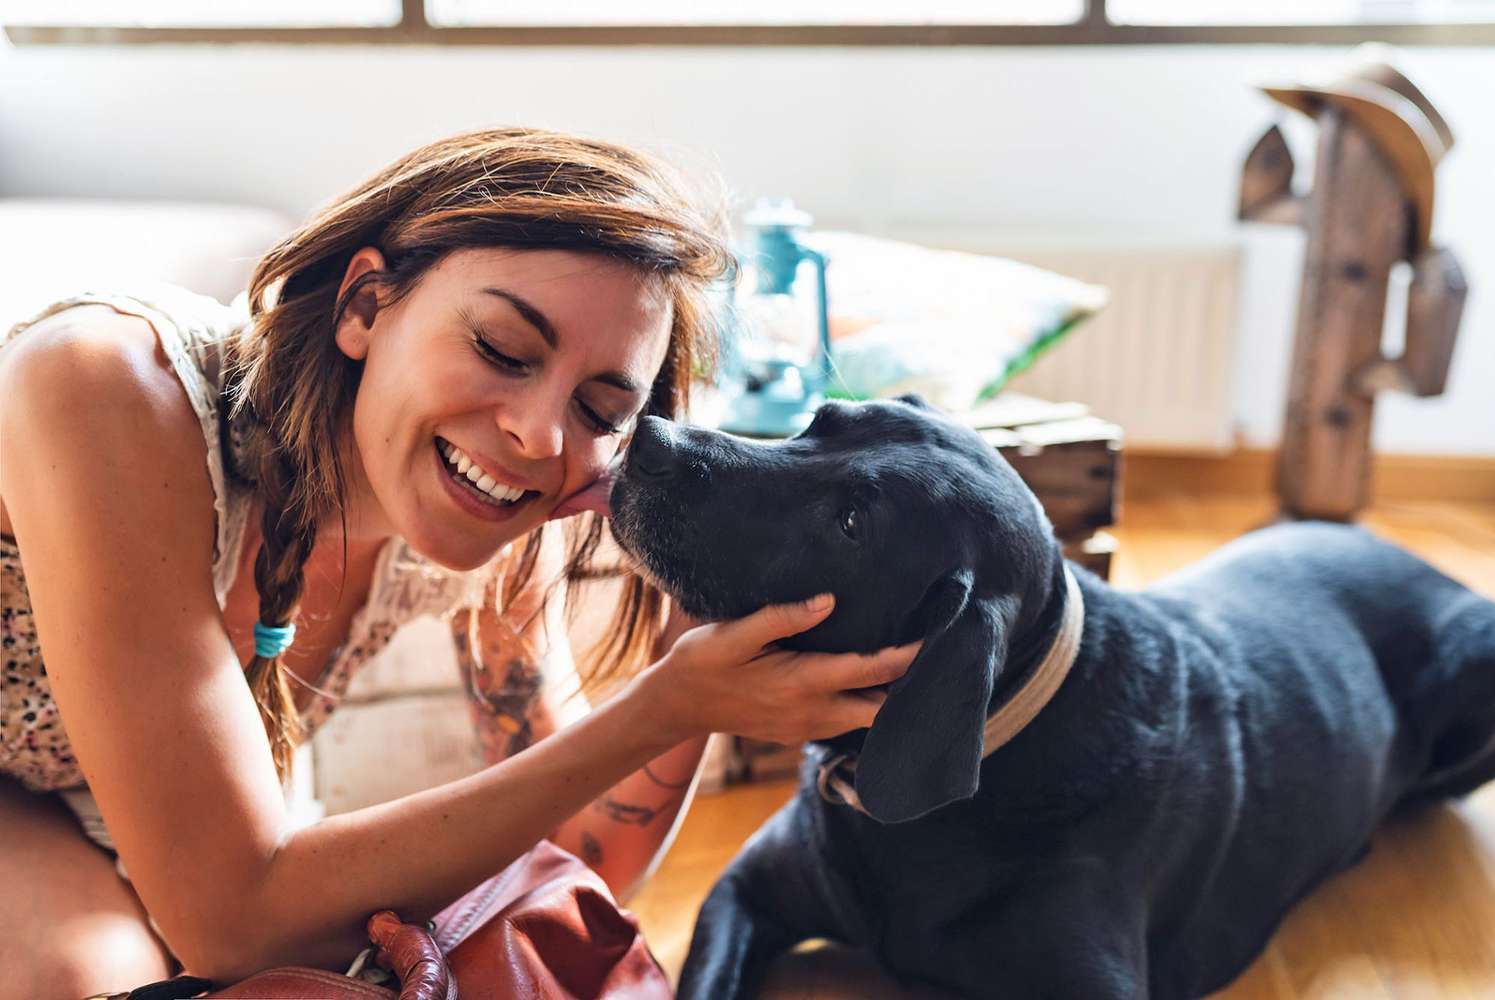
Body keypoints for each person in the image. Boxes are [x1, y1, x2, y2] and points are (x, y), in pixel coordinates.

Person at [0, 127, 915, 999]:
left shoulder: (509, 493)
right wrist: (664, 707)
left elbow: (575, 862)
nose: (537, 432)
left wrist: (695, 652)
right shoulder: (100, 384)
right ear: (366, 305)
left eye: (600, 410)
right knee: (94, 977)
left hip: (84, 803)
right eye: (502, 350)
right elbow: (231, 920)